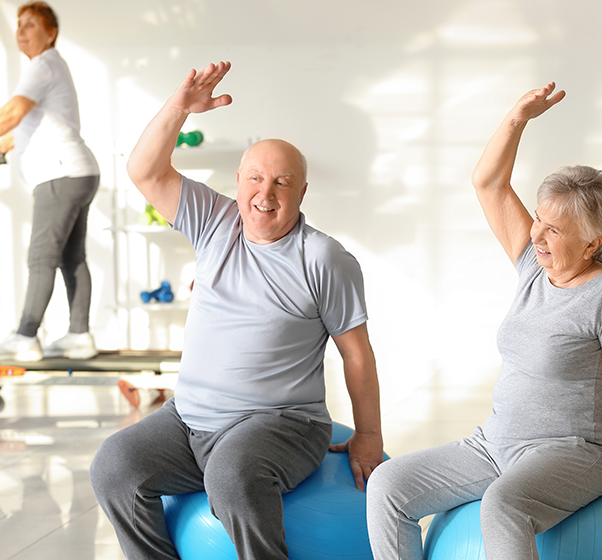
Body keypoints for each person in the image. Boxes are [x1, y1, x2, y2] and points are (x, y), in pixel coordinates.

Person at [366, 83, 602, 560]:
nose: (536, 235)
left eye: (553, 229)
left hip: (576, 452)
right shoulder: (533, 263)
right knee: (388, 485)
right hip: (494, 442)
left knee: (503, 506)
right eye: (538, 220)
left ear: (592, 243)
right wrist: (518, 117)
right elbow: (488, 183)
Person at [89, 61, 384, 560]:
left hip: (283, 424)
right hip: (189, 419)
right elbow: (144, 170)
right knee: (115, 466)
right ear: (238, 180)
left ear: (302, 193)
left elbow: (356, 353)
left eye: (282, 183)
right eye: (255, 179)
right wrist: (178, 109)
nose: (264, 194)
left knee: (231, 476)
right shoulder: (214, 221)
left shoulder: (324, 258)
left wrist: (370, 436)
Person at [0, 1, 100, 362]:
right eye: (18, 24)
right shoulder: (49, 67)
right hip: (78, 171)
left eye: (30, 24)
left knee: (41, 256)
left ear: (50, 33)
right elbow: (24, 130)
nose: (21, 30)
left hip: (61, 174)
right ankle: (79, 335)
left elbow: (12, 113)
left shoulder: (42, 64)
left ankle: (25, 336)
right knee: (71, 257)